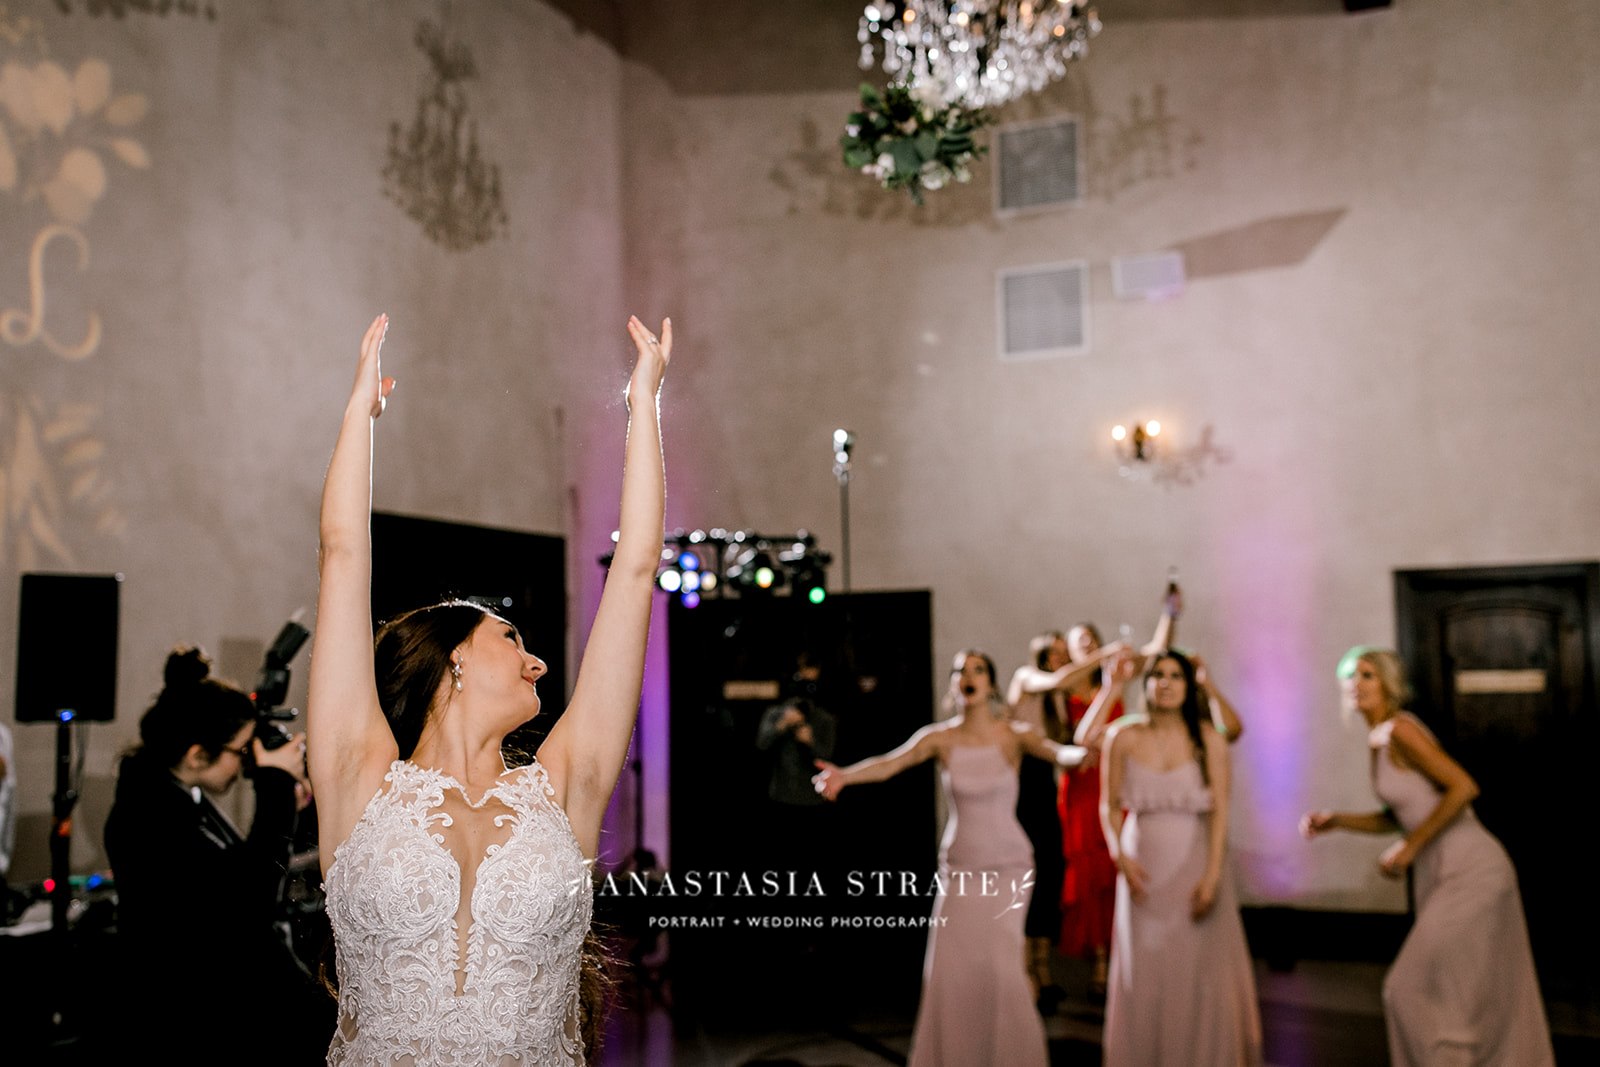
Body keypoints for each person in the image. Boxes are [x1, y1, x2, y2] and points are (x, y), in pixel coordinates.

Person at [307, 312, 668, 1064]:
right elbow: (342, 554)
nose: (538, 664)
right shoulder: (358, 775)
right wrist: (358, 414)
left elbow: (636, 569)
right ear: (453, 660)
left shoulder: (565, 786)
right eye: (514, 639)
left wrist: (646, 408)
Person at [813, 650, 1087, 1067]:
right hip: (961, 865)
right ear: (953, 684)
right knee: (951, 969)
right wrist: (844, 776)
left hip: (1008, 865)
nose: (968, 676)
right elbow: (890, 763)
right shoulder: (939, 738)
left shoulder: (1013, 734)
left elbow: (1061, 753)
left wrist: (1088, 747)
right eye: (961, 670)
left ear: (991, 685)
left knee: (1002, 968)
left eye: (978, 670)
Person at [1299, 647, 1553, 1067]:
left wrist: (1411, 846)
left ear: (1387, 684)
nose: (1356, 684)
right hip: (1440, 869)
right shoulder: (1378, 736)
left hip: (1472, 867)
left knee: (1407, 986)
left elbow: (1463, 787)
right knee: (1450, 986)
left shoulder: (1400, 730)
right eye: (1350, 676)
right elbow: (1402, 815)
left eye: (1367, 675)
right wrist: (1338, 821)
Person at [102, 646, 328, 1063]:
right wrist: (275, 788)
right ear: (197, 754)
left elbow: (235, 870)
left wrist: (284, 806)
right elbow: (246, 902)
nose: (244, 765)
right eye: (240, 752)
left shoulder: (174, 795)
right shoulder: (147, 816)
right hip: (188, 1019)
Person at [1096, 649, 1261, 1066]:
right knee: (1147, 967)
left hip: (1195, 858)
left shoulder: (1208, 738)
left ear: (1188, 687)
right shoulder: (1123, 735)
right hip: (1141, 863)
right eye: (1157, 675)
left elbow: (1221, 809)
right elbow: (1109, 804)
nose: (1166, 683)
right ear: (1146, 684)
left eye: (1176, 676)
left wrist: (1212, 876)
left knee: (1199, 970)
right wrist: (1119, 855)